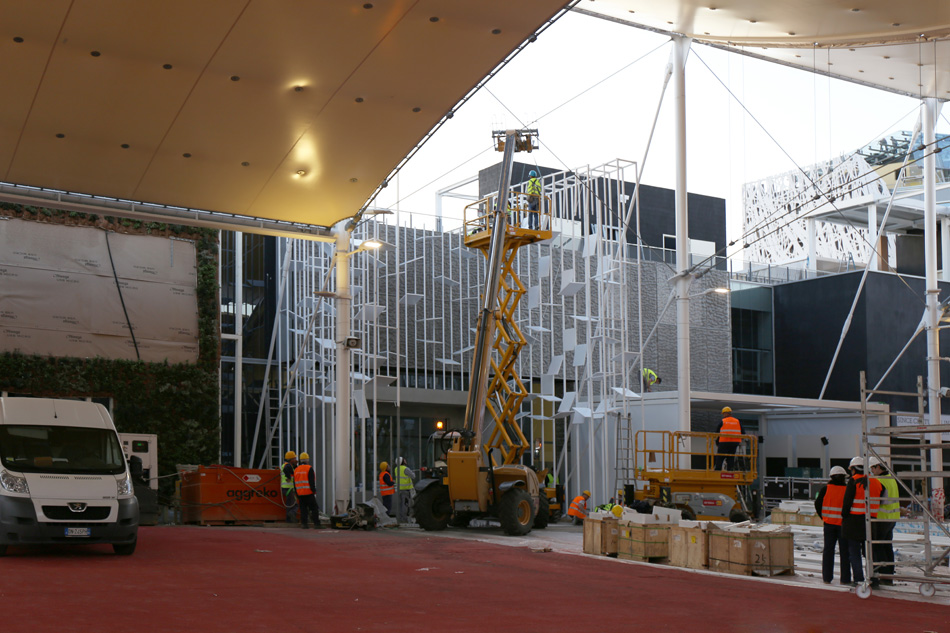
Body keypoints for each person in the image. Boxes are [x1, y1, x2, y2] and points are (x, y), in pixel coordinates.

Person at [841, 456, 883, 587]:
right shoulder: (876, 482)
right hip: (871, 520)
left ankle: (859, 579)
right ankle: (874, 579)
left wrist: (844, 516)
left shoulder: (853, 481)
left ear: (853, 469)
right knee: (870, 553)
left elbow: (847, 503)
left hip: (854, 521)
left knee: (855, 552)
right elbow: (881, 500)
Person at [814, 465, 851, 585]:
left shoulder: (825, 489)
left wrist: (823, 516)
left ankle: (827, 578)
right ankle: (845, 579)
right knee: (845, 552)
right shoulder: (847, 489)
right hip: (843, 525)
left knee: (828, 551)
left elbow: (817, 504)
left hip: (829, 524)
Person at [869, 456, 899, 585]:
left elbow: (880, 500)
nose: (871, 471)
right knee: (887, 546)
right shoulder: (891, 479)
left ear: (878, 467)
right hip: (892, 518)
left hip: (881, 518)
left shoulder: (879, 480)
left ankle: (883, 573)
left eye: (872, 468)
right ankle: (889, 575)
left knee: (879, 547)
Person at [293, 452, 320, 529]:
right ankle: (317, 524)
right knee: (314, 508)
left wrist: (297, 493)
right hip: (308, 493)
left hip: (300, 494)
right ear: (307, 460)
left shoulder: (296, 469)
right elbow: (311, 481)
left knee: (303, 509)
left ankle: (304, 524)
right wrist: (313, 490)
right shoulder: (309, 468)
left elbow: (294, 483)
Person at [714, 407, 743, 471]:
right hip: (735, 442)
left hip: (724, 442)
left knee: (720, 456)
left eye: (723, 414)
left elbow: (717, 432)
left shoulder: (723, 421)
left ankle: (717, 470)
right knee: (731, 457)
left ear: (726, 413)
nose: (723, 415)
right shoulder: (737, 421)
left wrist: (717, 442)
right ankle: (730, 469)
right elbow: (743, 432)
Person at [281, 451, 298, 523]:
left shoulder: (286, 465)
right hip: (289, 488)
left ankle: (288, 520)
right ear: (291, 459)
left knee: (289, 504)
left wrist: (295, 465)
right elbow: (287, 470)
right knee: (295, 505)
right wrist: (288, 477)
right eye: (294, 458)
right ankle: (292, 514)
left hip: (285, 488)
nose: (296, 460)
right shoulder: (287, 466)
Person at [395, 457, 415, 522]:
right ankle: (404, 519)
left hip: (399, 490)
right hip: (405, 490)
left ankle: (400, 518)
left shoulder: (396, 468)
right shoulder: (405, 469)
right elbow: (413, 476)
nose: (406, 460)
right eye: (404, 459)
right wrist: (411, 472)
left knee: (400, 505)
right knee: (405, 505)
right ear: (402, 461)